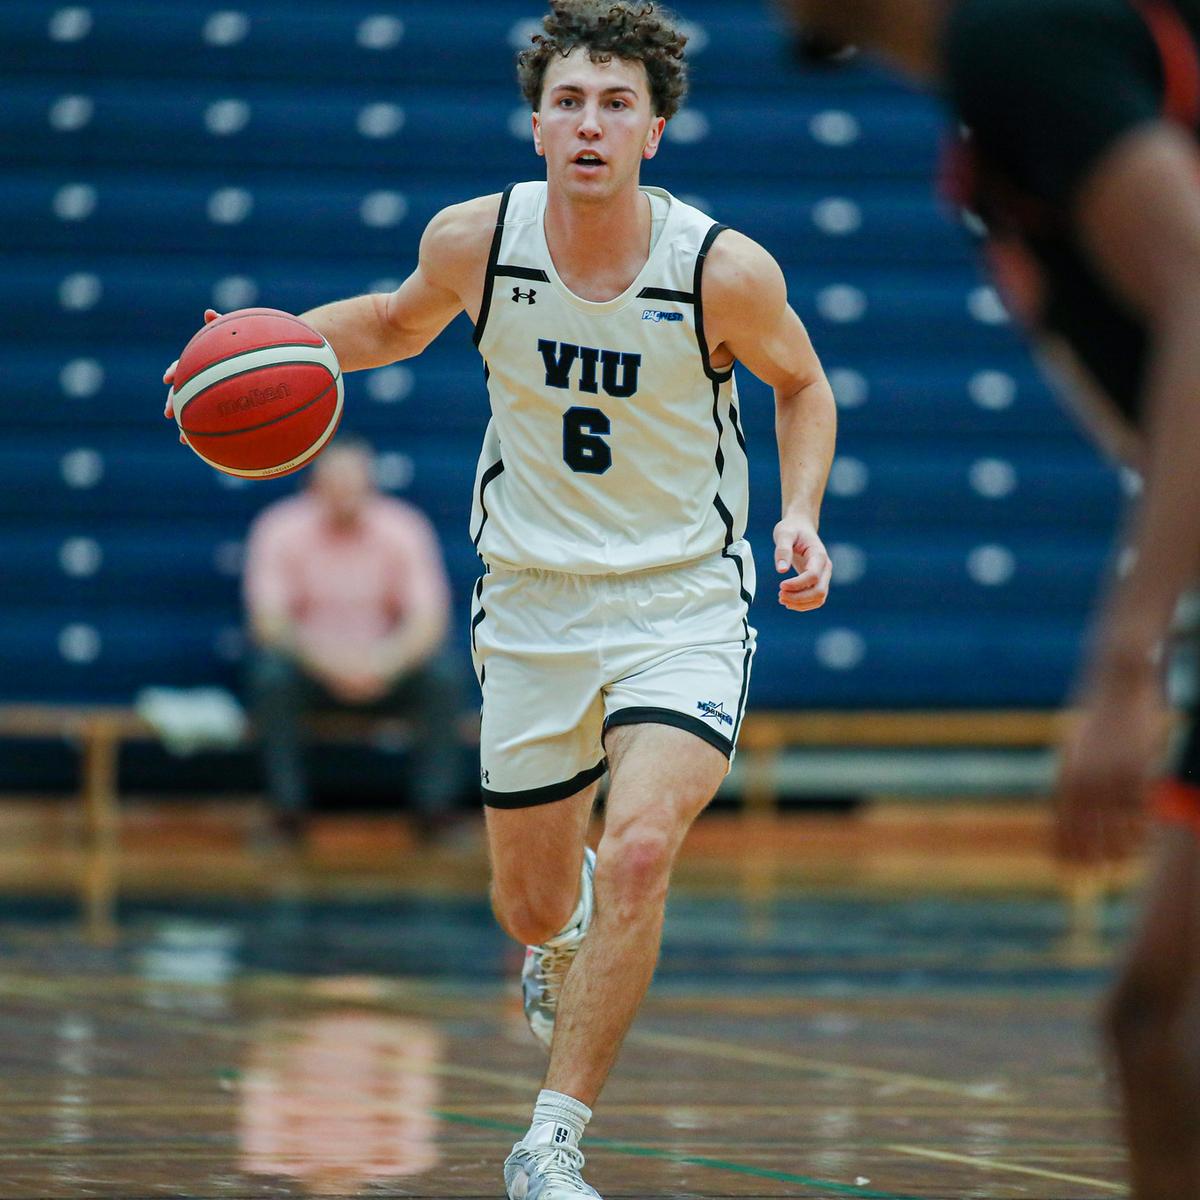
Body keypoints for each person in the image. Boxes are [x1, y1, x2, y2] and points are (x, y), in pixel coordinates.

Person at [165, 3, 836, 1196]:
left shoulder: (721, 271)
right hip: (531, 603)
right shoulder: (476, 242)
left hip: (682, 601)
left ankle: (552, 1142)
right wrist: (253, 349)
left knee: (640, 849)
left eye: (617, 104)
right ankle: (556, 933)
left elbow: (805, 384)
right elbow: (386, 324)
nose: (590, 124)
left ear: (655, 132)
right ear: (537, 125)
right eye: (569, 102)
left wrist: (802, 513)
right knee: (530, 904)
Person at [779, 1, 1200, 1196]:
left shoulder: (1020, 38)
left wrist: (1128, 658)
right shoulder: (985, 128)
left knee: (1163, 1025)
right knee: (1153, 1023)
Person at [242, 436, 465, 842]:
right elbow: (268, 623)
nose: (345, 495)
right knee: (270, 677)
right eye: (335, 485)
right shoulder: (279, 527)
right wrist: (331, 663)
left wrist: (384, 662)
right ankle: (286, 813)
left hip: (387, 668)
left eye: (354, 485)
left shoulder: (404, 527)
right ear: (313, 485)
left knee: (444, 677)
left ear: (371, 485)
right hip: (310, 669)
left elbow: (429, 620)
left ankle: (436, 813)